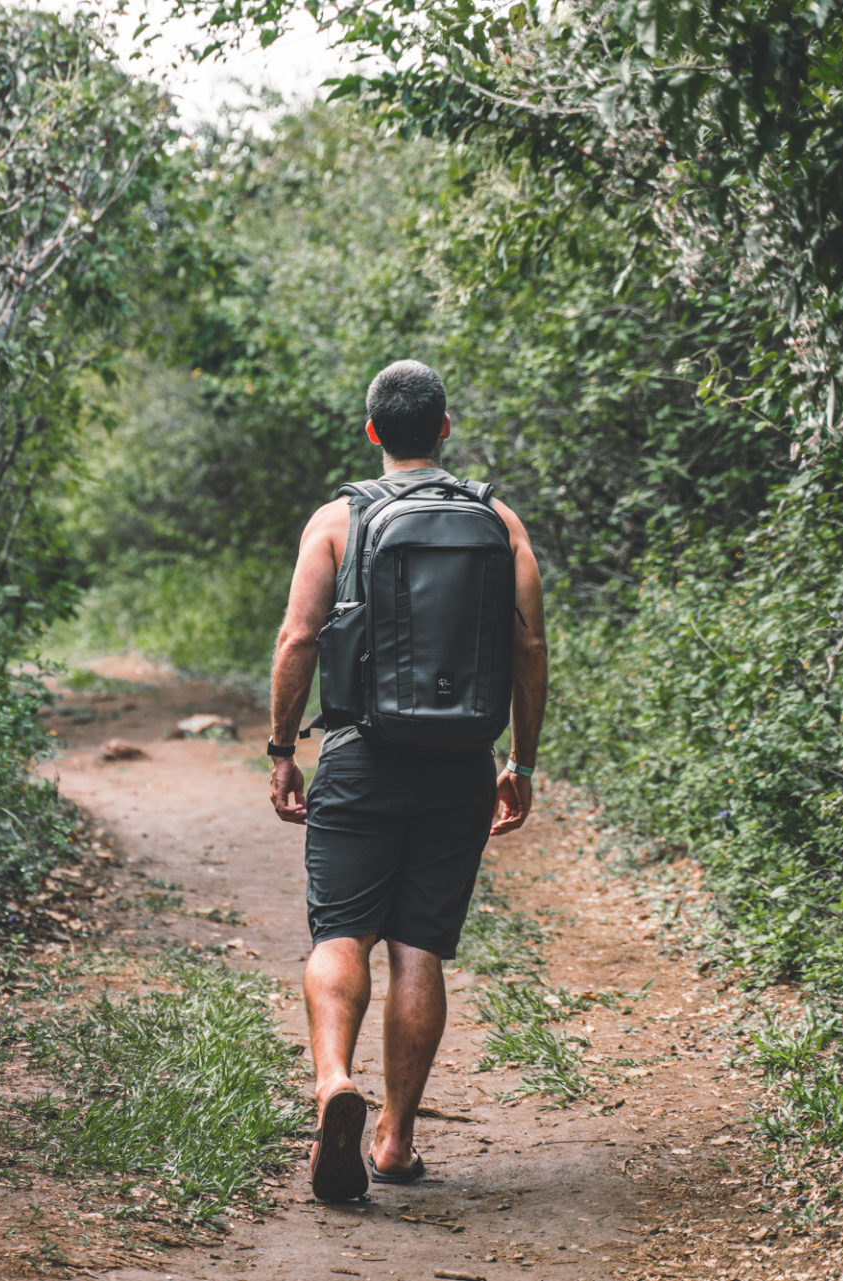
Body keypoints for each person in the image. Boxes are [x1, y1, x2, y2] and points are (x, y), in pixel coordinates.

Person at [265, 359, 547, 1201]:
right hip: (459, 761)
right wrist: (519, 761)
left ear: (372, 431)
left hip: (359, 754)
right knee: (418, 945)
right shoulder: (499, 520)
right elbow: (529, 649)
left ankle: (331, 1085)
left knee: (340, 932)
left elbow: (297, 638)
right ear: (446, 428)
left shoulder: (338, 519)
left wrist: (283, 749)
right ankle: (394, 1140)